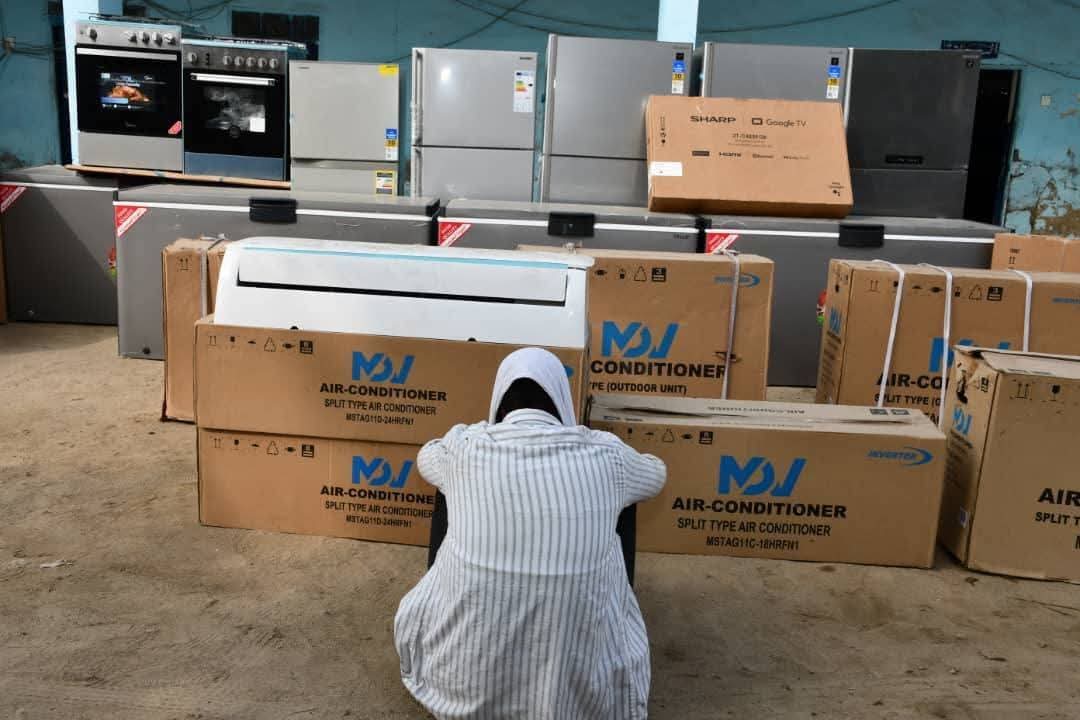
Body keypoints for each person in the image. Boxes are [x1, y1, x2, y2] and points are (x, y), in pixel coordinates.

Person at [394, 347, 667, 719]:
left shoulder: (465, 448)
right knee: (622, 501)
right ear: (561, 399)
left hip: (462, 691)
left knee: (448, 488)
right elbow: (656, 474)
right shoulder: (607, 455)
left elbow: (426, 456)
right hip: (577, 698)